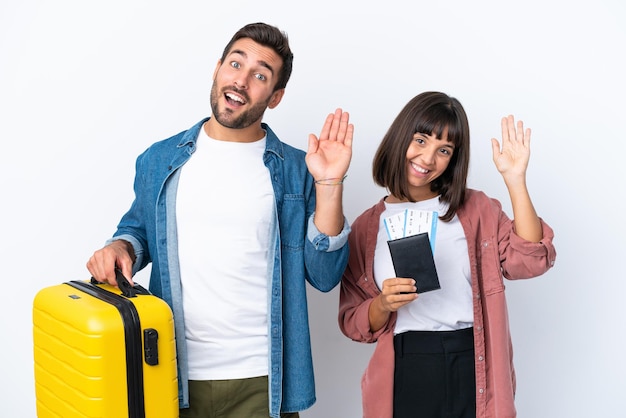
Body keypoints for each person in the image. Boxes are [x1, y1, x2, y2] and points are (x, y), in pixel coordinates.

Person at [87, 22, 354, 418]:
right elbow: (139, 231)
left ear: (275, 97)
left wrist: (329, 183)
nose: (241, 80)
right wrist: (119, 247)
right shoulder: (160, 159)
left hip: (264, 379)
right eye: (235, 63)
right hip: (170, 373)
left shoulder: (298, 169)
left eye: (260, 75)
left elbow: (324, 274)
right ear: (217, 68)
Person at [338, 91, 556, 418]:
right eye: (420, 140)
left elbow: (531, 259)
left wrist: (515, 181)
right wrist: (383, 304)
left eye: (444, 150)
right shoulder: (367, 228)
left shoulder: (477, 209)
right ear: (401, 138)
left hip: (474, 360)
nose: (428, 159)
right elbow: (353, 322)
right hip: (407, 365)